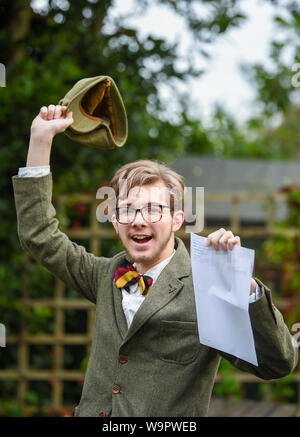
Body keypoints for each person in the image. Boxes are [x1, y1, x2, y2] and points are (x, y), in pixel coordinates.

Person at [13, 105, 298, 417]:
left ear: (177, 220)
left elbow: (276, 364)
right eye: (128, 210)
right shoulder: (104, 275)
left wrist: (241, 285)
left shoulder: (207, 287)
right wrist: (40, 140)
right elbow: (39, 234)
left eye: (152, 210)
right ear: (114, 220)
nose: (138, 221)